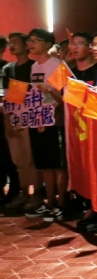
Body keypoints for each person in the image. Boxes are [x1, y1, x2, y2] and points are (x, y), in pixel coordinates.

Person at [24, 29, 66, 222]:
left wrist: (46, 114)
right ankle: (49, 202)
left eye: (35, 40)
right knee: (45, 166)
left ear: (48, 44)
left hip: (55, 122)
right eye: (29, 40)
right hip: (38, 122)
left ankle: (61, 204)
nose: (30, 44)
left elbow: (64, 97)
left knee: (58, 166)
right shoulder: (34, 67)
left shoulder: (57, 65)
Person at [2, 32, 35, 212]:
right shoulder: (9, 69)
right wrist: (8, 120)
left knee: (32, 159)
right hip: (15, 118)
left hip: (32, 118)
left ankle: (36, 194)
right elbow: (9, 97)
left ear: (26, 45)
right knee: (19, 159)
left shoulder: (34, 66)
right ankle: (23, 193)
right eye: (10, 43)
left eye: (16, 42)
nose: (12, 46)